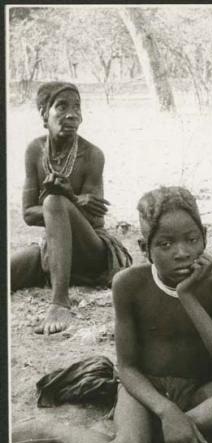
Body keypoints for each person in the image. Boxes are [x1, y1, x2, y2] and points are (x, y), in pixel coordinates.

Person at [12, 186, 212, 443]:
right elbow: (128, 369)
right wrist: (167, 410)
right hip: (146, 388)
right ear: (144, 248)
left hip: (199, 392)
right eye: (165, 244)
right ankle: (53, 430)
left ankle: (171, 433)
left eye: (192, 239)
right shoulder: (128, 284)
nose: (182, 253)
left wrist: (188, 297)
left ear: (205, 238)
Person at [10, 81, 132, 335]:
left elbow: (95, 218)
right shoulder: (35, 151)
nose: (72, 114)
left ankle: (59, 302)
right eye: (62, 106)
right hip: (53, 250)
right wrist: (62, 204)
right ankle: (57, 276)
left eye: (77, 107)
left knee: (54, 201)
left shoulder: (91, 155)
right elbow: (27, 213)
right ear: (44, 113)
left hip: (93, 254)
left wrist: (68, 201)